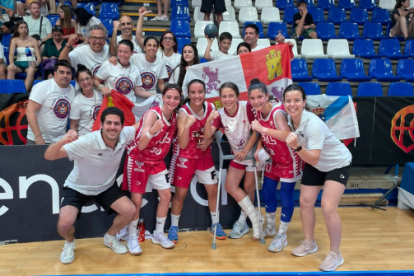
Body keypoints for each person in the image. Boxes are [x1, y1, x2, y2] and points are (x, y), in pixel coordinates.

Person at [44, 107, 140, 264]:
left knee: (130, 211)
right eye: (108, 123)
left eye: (116, 124)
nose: (112, 127)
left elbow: (139, 125)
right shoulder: (87, 142)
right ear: (101, 124)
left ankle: (109, 238)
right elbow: (48, 156)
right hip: (77, 187)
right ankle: (69, 243)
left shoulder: (126, 134)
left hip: (106, 186)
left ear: (122, 127)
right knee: (64, 224)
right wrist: (62, 140)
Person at [284, 84, 351, 272]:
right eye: (288, 100)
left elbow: (313, 157)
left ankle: (336, 254)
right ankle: (309, 242)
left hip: (337, 163)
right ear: (284, 103)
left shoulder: (313, 124)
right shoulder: (289, 119)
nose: (292, 104)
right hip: (316, 164)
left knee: (328, 207)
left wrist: (297, 147)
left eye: (297, 100)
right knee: (305, 203)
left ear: (304, 102)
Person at [121, 84, 182, 255]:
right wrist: (152, 132)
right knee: (137, 201)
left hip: (156, 160)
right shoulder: (152, 114)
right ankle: (132, 236)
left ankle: (159, 233)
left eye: (176, 98)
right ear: (162, 97)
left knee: (166, 196)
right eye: (168, 97)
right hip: (138, 157)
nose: (172, 100)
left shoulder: (176, 116)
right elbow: (141, 145)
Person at [248, 79, 303, 253]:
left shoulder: (277, 113)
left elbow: (287, 134)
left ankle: (282, 234)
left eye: (260, 97)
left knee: (285, 195)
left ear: (267, 96)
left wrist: (263, 131)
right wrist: (258, 148)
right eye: (253, 98)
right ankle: (270, 227)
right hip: (273, 159)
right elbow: (259, 134)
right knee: (267, 191)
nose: (256, 101)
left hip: (289, 159)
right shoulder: (258, 112)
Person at [167, 79, 225, 244]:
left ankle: (215, 224)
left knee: (213, 191)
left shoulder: (212, 108)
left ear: (205, 93)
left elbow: (211, 132)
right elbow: (183, 143)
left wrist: (208, 140)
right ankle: (174, 227)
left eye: (200, 92)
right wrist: (187, 126)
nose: (197, 95)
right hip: (185, 156)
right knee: (180, 194)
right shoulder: (183, 113)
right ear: (188, 94)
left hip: (204, 156)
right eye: (193, 92)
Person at [203, 82, 261, 240]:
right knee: (230, 186)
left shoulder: (247, 106)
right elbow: (208, 135)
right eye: (224, 96)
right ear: (220, 98)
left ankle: (243, 223)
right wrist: (208, 120)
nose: (227, 99)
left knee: (249, 187)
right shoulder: (219, 113)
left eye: (231, 95)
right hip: (238, 155)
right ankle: (255, 218)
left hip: (252, 152)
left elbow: (256, 131)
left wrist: (245, 150)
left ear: (237, 96)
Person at [26, 59, 76, 145]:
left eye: (68, 73)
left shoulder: (72, 90)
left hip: (60, 140)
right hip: (38, 139)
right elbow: (30, 111)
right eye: (62, 72)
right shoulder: (42, 87)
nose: (65, 75)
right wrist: (38, 136)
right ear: (55, 74)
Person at [110, 36, 168, 103]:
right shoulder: (135, 58)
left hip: (152, 97)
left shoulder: (161, 62)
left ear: (157, 48)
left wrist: (166, 94)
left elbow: (161, 83)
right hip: (136, 97)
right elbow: (123, 58)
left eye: (154, 46)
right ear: (144, 47)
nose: (152, 48)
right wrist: (114, 59)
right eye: (149, 45)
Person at [95, 39, 153, 104]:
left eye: (126, 52)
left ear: (132, 53)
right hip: (113, 106)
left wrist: (156, 95)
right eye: (120, 51)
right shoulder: (109, 64)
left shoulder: (135, 69)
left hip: (130, 106)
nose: (122, 54)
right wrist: (101, 87)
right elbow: (94, 80)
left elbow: (138, 91)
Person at [135, 8, 181, 83]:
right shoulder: (155, 52)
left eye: (170, 38)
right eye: (165, 38)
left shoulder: (179, 58)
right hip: (155, 87)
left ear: (174, 43)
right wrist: (141, 17)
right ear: (162, 42)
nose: (168, 40)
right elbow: (139, 37)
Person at [7, 20, 42, 92]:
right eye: (21, 28)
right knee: (10, 69)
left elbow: (39, 58)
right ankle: (11, 92)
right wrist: (11, 63)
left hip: (30, 63)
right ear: (17, 29)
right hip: (19, 63)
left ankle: (23, 93)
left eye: (25, 28)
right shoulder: (14, 40)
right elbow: (11, 54)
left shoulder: (33, 40)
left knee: (31, 70)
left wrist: (36, 63)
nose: (24, 29)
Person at [70, 64, 103, 136]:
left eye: (87, 78)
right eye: (81, 80)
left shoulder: (100, 94)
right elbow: (73, 126)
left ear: (92, 79)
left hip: (100, 136)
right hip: (85, 138)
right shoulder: (77, 101)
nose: (85, 82)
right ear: (78, 82)